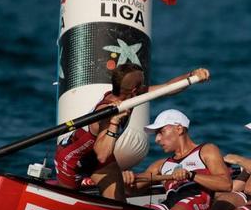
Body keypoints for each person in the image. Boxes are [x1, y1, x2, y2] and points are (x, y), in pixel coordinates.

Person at [54, 64, 210, 200]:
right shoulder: (106, 111)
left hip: (96, 160)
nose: (145, 86)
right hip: (72, 159)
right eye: (142, 82)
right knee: (68, 203)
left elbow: (168, 88)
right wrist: (114, 122)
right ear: (134, 89)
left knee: (118, 205)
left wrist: (191, 76)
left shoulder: (130, 96)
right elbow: (102, 153)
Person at [122, 109, 232, 210]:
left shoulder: (206, 150)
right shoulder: (160, 165)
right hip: (170, 203)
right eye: (156, 134)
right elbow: (133, 190)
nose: (157, 139)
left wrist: (191, 175)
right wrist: (127, 180)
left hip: (196, 201)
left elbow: (226, 184)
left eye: (161, 132)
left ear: (179, 129)